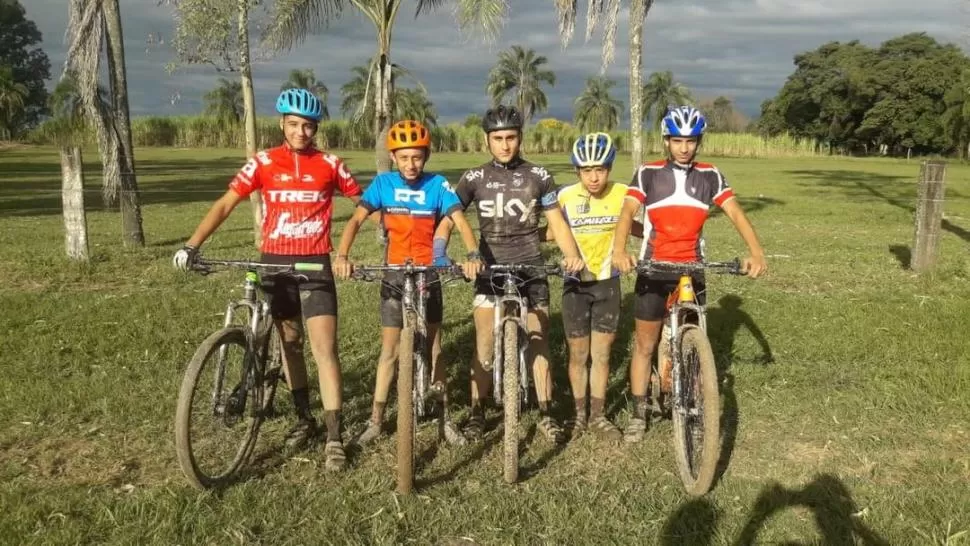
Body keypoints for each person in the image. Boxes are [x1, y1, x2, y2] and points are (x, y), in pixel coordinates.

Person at [172, 88, 363, 471]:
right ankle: (303, 417)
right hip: (274, 263)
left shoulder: (330, 163)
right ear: (281, 123)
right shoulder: (261, 163)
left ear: (316, 127)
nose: (301, 132)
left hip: (314, 264)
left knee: (324, 348)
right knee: (290, 343)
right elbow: (227, 203)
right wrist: (192, 244)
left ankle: (334, 436)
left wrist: (359, 244)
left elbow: (364, 203)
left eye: (308, 126)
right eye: (294, 124)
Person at [612, 105, 768, 443]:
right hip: (654, 268)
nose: (685, 148)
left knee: (696, 342)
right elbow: (626, 213)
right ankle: (639, 412)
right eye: (678, 141)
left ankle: (695, 408)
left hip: (692, 268)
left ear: (699, 142)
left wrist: (756, 252)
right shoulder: (648, 173)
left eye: (692, 141)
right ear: (666, 141)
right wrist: (619, 250)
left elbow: (736, 214)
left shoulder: (710, 174)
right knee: (644, 343)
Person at [433, 105, 585, 444]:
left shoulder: (539, 175)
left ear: (520, 138)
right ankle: (477, 411)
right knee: (484, 344)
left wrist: (572, 255)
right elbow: (448, 215)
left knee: (539, 341)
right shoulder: (473, 178)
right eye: (498, 138)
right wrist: (440, 251)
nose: (505, 145)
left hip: (531, 265)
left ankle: (546, 414)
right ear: (487, 140)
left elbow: (557, 222)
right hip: (489, 267)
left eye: (511, 137)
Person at [332, 120, 483, 447]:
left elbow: (459, 220)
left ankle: (444, 420)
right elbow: (357, 219)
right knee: (389, 351)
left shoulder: (438, 184)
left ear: (426, 156)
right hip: (395, 274)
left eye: (417, 157)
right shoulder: (383, 184)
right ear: (393, 157)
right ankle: (375, 420)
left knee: (434, 347)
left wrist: (472, 254)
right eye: (403, 158)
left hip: (428, 272)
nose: (411, 165)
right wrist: (342, 255)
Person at [554, 132, 645, 442]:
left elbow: (632, 227)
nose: (594, 178)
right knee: (578, 354)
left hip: (607, 284)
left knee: (602, 355)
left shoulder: (622, 193)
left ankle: (599, 414)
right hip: (575, 286)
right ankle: (579, 414)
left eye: (600, 170)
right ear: (577, 171)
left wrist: (653, 241)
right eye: (586, 170)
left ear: (609, 168)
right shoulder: (565, 197)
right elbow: (554, 231)